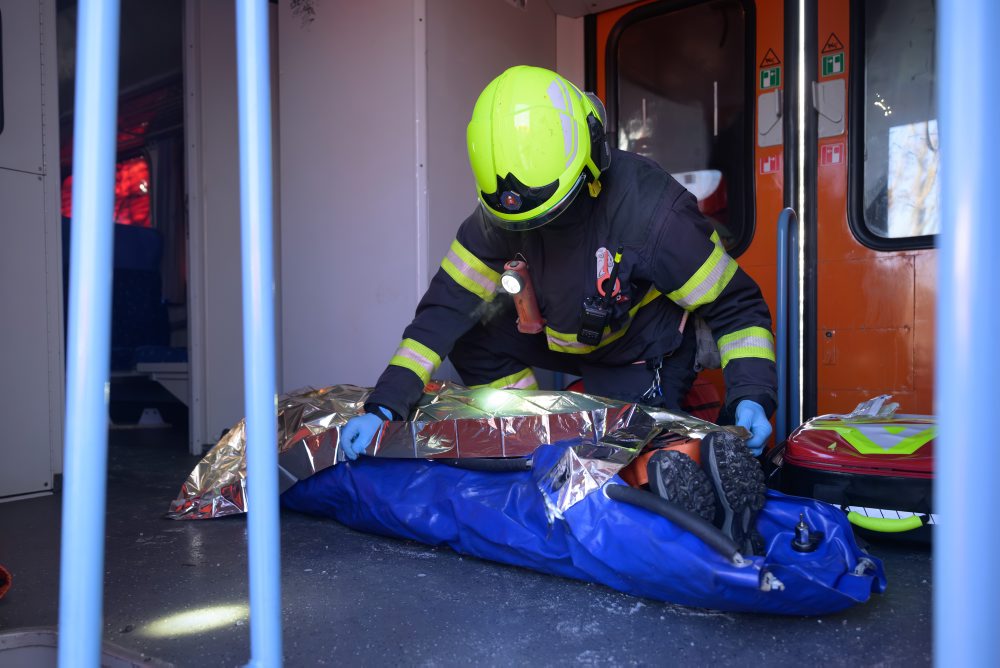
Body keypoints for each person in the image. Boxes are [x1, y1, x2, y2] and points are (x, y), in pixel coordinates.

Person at [340, 66, 775, 551]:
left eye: (554, 213)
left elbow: (736, 307)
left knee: (626, 458)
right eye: (525, 223)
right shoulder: (500, 215)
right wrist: (384, 405)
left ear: (592, 162)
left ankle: (696, 470)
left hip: (639, 348)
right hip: (560, 335)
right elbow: (442, 310)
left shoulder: (654, 216)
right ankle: (528, 432)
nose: (538, 230)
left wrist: (752, 394)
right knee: (470, 332)